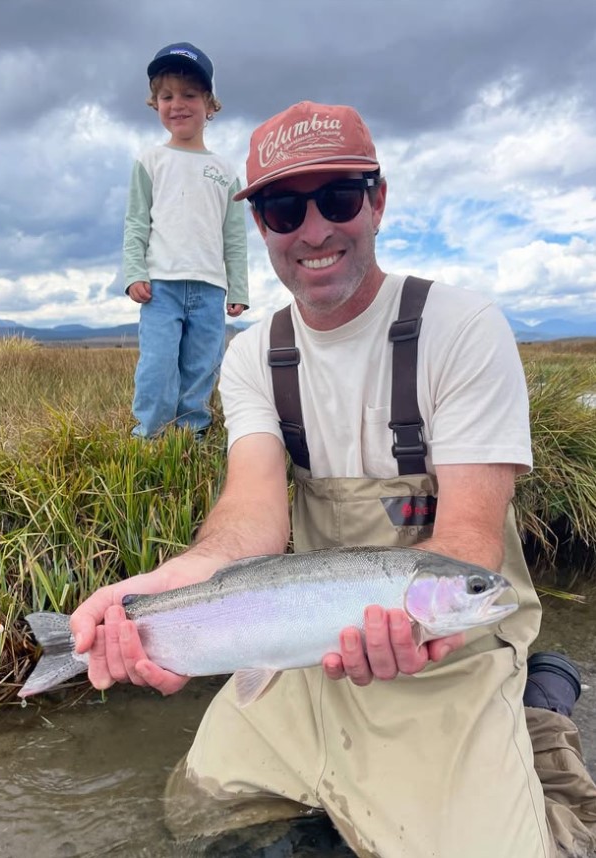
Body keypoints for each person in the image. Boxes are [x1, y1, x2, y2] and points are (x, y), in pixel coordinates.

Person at [72, 101, 596, 857]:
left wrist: (421, 633)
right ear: (261, 226)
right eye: (285, 208)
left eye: (338, 199)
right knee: (201, 815)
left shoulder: (460, 327)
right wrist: (166, 585)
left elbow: (467, 544)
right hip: (303, 637)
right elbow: (249, 522)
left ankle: (538, 707)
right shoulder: (254, 357)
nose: (313, 229)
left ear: (376, 201)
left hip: (443, 649)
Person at [123, 42, 249, 438]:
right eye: (167, 96)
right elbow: (136, 223)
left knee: (201, 366)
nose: (178, 104)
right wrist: (133, 272)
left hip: (210, 288)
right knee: (159, 364)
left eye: (189, 94)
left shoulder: (225, 170)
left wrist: (238, 286)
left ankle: (190, 436)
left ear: (209, 103)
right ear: (154, 103)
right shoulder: (150, 161)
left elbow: (235, 236)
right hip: (161, 286)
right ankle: (150, 436)